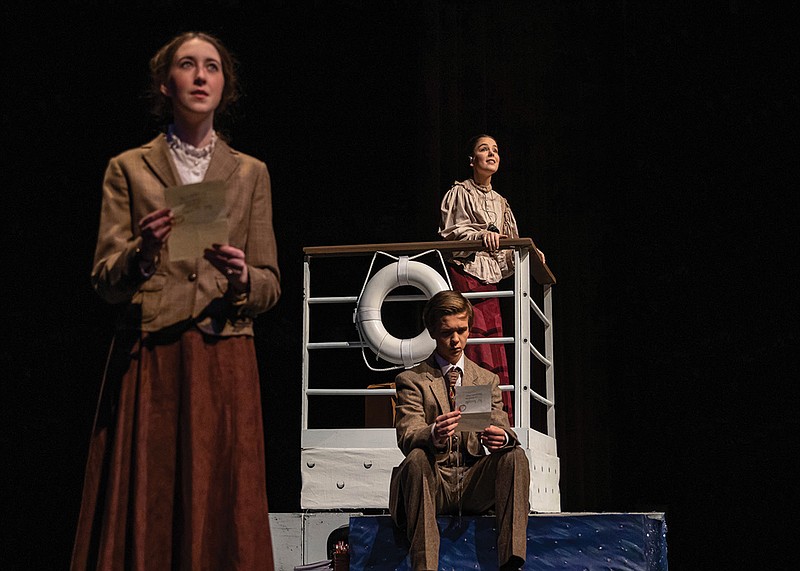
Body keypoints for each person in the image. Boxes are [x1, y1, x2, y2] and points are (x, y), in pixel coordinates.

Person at [71, 32, 280, 570]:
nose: (201, 75)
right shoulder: (130, 168)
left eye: (212, 66)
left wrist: (241, 278)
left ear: (224, 85)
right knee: (154, 491)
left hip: (224, 352)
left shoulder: (250, 172)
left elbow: (270, 283)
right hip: (153, 354)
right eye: (188, 65)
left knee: (221, 497)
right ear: (167, 84)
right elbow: (104, 278)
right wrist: (142, 254)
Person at [389, 290, 530, 571]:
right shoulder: (412, 379)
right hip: (433, 482)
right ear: (432, 331)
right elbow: (407, 433)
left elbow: (502, 427)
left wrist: (500, 437)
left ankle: (511, 562)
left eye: (462, 330)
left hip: (472, 483)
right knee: (415, 459)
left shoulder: (485, 378)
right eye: (446, 333)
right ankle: (425, 567)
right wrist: (432, 433)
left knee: (515, 456)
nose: (456, 340)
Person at [438, 134, 545, 425]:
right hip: (468, 274)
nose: (491, 154)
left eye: (496, 150)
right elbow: (451, 234)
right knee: (475, 345)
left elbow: (509, 243)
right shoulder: (460, 192)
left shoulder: (501, 202)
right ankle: (474, 421)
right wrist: (478, 236)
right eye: (484, 149)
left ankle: (498, 422)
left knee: (494, 344)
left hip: (490, 280)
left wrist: (531, 252)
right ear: (472, 160)